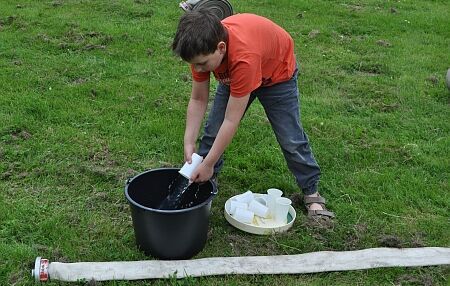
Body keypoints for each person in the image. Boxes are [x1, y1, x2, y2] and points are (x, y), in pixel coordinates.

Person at [172, 9, 335, 219]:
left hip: (276, 76)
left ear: (221, 48)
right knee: (213, 131)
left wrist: (208, 162)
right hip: (238, 72)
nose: (198, 69)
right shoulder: (201, 51)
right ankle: (205, 180)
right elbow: (198, 99)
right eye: (194, 64)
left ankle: (311, 190)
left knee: (290, 139)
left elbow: (232, 120)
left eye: (202, 64)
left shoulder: (243, 58)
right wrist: (188, 141)